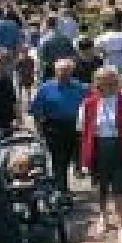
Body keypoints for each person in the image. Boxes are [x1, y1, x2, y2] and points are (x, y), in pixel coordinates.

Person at [78, 66, 122, 243]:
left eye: (110, 80)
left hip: (119, 147)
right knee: (99, 186)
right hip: (97, 147)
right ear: (96, 83)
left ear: (115, 82)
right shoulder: (87, 104)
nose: (105, 84)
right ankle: (103, 216)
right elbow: (81, 128)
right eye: (101, 81)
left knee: (120, 188)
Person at [28, 58, 88, 198]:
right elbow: (36, 110)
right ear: (55, 72)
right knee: (58, 158)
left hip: (75, 126)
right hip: (53, 127)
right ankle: (61, 188)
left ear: (72, 72)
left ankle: (69, 177)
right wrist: (39, 130)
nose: (64, 74)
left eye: (67, 71)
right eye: (61, 71)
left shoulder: (81, 88)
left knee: (70, 156)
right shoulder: (45, 88)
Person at [36, 17, 75, 82]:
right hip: (64, 69)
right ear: (57, 24)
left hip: (49, 70)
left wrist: (39, 72)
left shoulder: (44, 39)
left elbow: (40, 57)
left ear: (47, 25)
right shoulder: (65, 38)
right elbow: (72, 54)